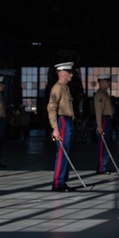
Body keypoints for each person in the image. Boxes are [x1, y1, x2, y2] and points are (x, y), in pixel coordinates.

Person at [48, 62, 76, 191]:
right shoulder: (57, 88)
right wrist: (55, 128)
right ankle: (58, 183)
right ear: (63, 74)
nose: (72, 74)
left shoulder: (65, 87)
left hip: (68, 121)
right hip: (63, 121)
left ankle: (63, 181)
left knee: (66, 153)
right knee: (62, 152)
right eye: (69, 72)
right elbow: (52, 107)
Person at [93, 74, 114, 173]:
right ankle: (101, 167)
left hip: (107, 119)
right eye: (107, 81)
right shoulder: (100, 94)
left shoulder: (104, 93)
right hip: (104, 119)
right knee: (102, 144)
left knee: (105, 144)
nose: (109, 83)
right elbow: (98, 110)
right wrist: (99, 125)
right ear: (101, 82)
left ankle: (103, 165)